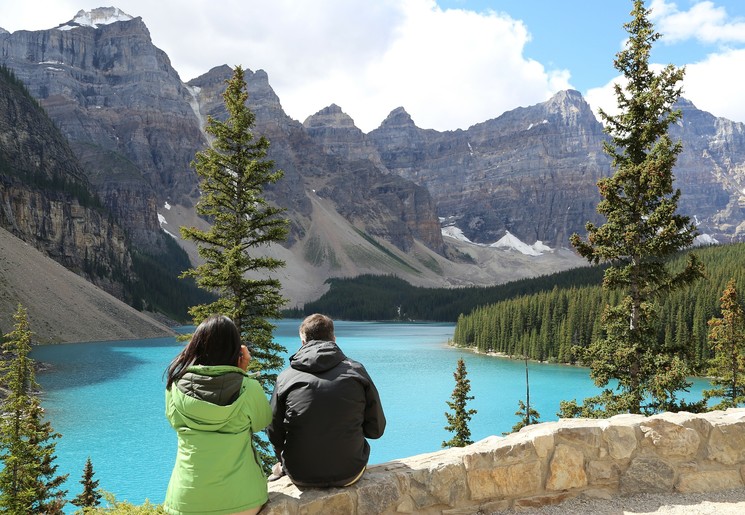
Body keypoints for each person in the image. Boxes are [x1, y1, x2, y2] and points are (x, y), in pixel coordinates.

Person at [163, 315, 271, 515]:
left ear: (196, 346)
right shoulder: (249, 387)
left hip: (186, 502)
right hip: (242, 500)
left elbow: (174, 422)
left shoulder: (175, 387)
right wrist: (242, 373)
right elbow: (261, 422)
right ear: (237, 349)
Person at [267, 313, 386, 487]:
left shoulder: (286, 377)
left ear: (303, 342)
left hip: (300, 474)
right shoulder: (357, 371)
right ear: (334, 339)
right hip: (350, 471)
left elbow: (273, 432)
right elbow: (376, 429)